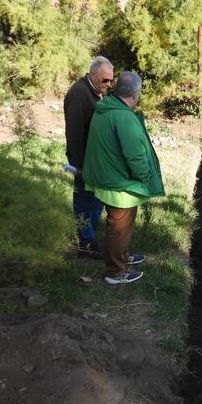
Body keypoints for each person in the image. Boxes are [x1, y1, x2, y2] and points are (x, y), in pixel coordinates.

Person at [82, 71, 163, 284]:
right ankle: (115, 272)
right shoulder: (123, 116)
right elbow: (135, 154)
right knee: (118, 229)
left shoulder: (106, 109)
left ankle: (123, 257)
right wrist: (144, 176)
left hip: (110, 178)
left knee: (120, 227)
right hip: (121, 184)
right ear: (135, 94)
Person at [64, 56, 115, 257]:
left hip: (94, 161)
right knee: (85, 202)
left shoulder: (93, 90)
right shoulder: (79, 93)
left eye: (111, 80)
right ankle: (85, 245)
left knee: (94, 200)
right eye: (105, 80)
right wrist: (78, 166)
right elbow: (74, 134)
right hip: (85, 162)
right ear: (93, 75)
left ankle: (90, 238)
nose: (108, 84)